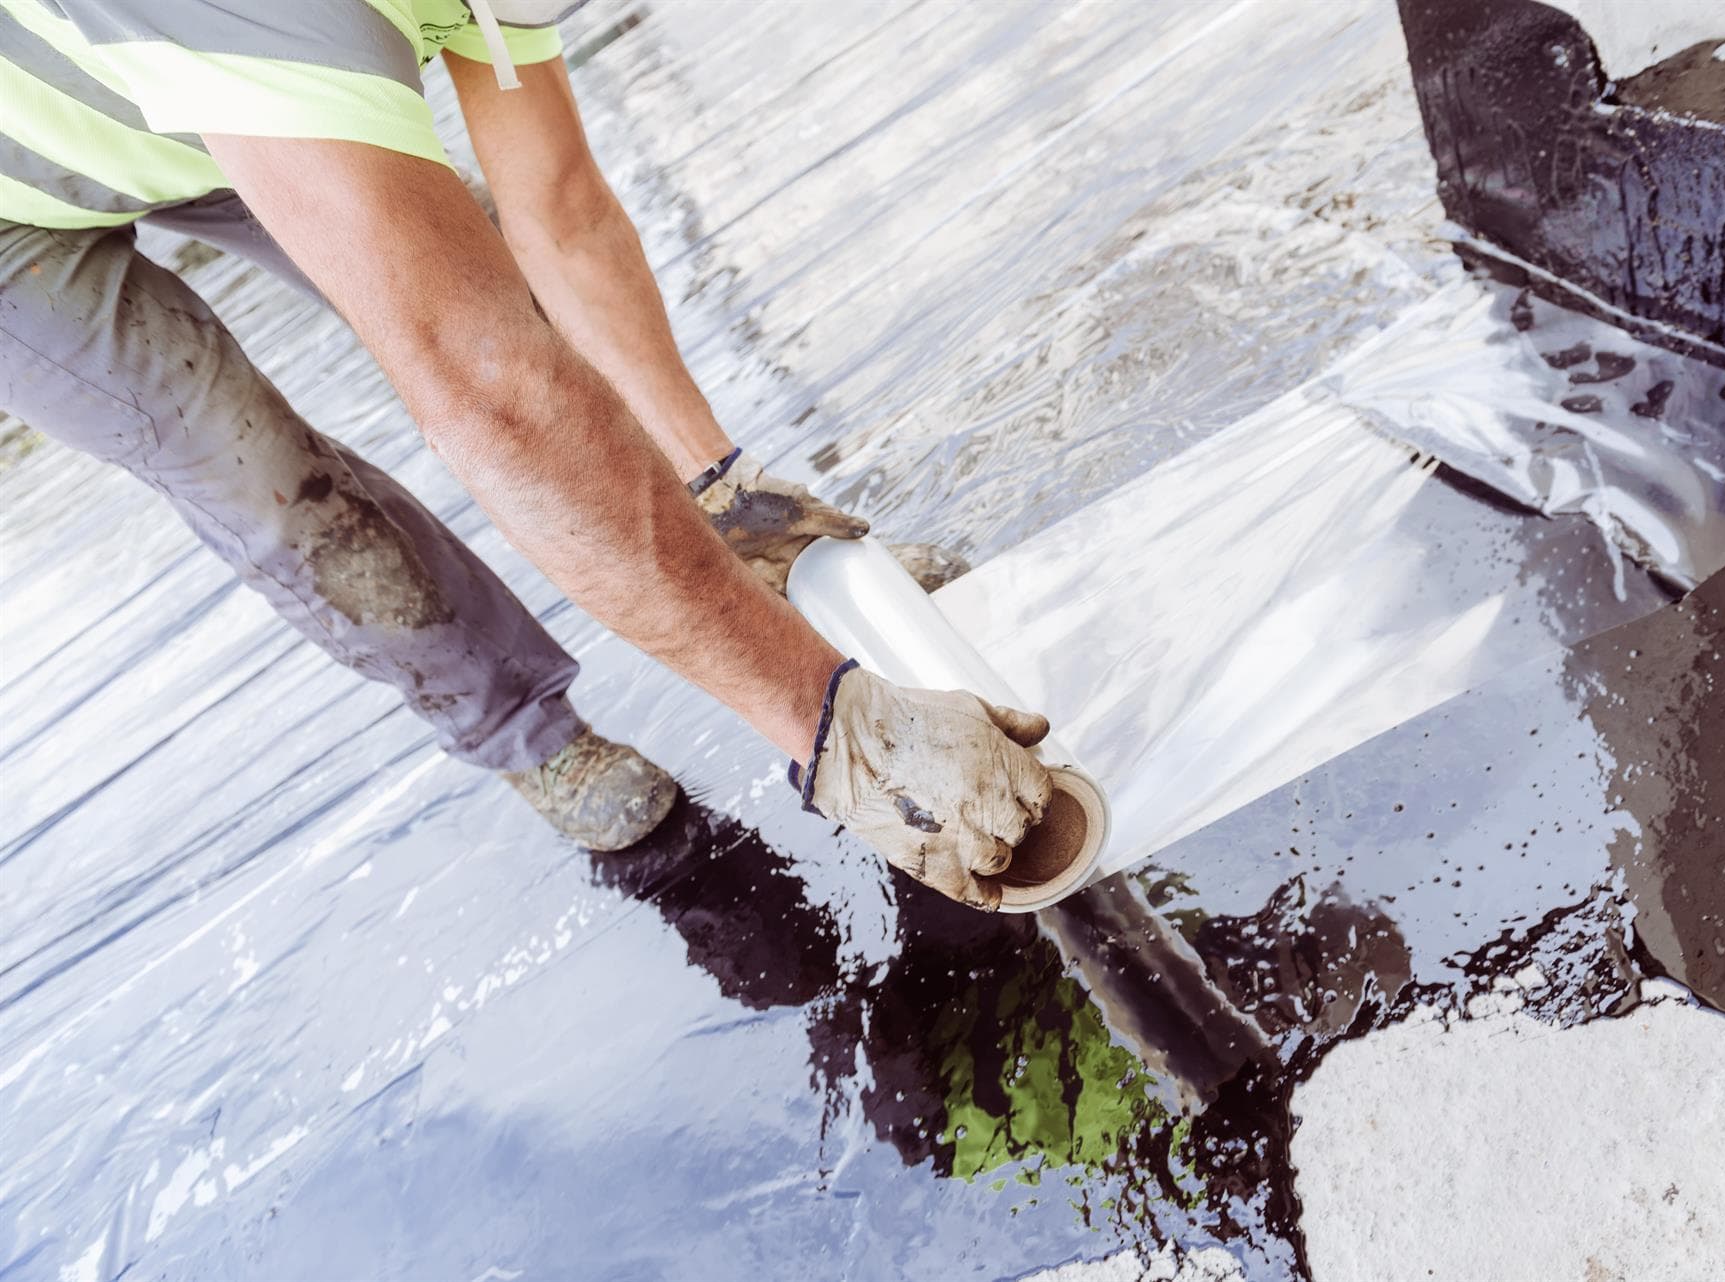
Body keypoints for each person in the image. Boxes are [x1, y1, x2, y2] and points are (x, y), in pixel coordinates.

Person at [0, 0, 1051, 909]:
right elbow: (485, 383)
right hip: (21, 207)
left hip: (195, 81)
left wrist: (722, 496)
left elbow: (564, 215)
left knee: (486, 267)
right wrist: (832, 725)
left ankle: (717, 530)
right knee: (249, 462)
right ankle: (529, 739)